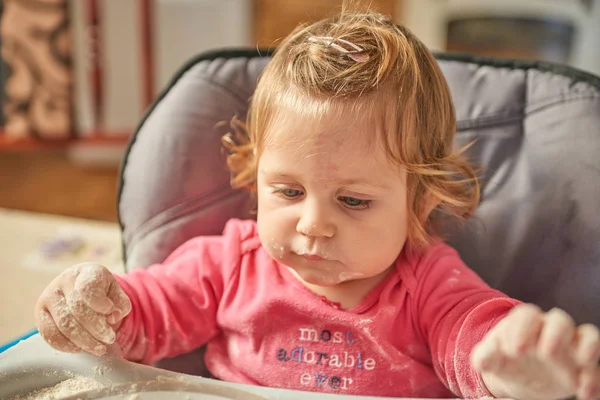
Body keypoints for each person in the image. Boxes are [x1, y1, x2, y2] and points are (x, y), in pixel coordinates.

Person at [34, 5, 599, 400]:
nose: (313, 224)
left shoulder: (427, 284)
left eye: (353, 200)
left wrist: (513, 370)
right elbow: (150, 313)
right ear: (255, 177)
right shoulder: (229, 263)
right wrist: (98, 309)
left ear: (421, 202)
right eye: (287, 191)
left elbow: (472, 336)